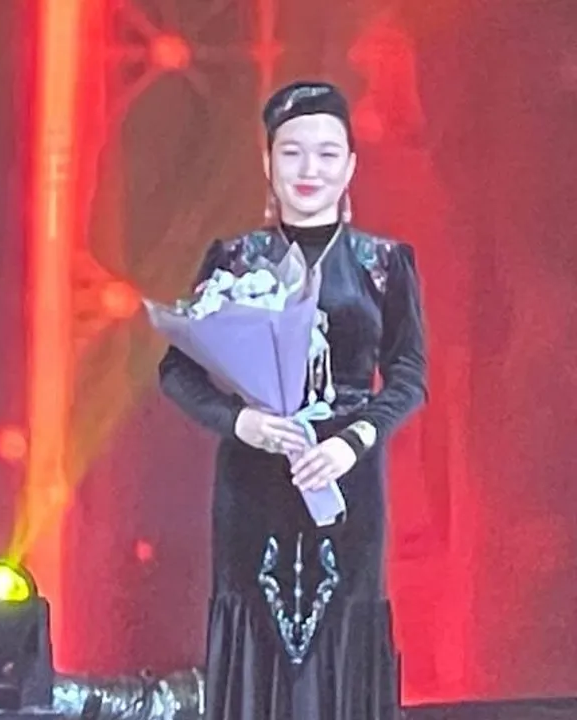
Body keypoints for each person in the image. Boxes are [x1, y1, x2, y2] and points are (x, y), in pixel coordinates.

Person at [158, 81, 428, 720]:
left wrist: (353, 441)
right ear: (267, 162)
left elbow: (409, 376)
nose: (310, 169)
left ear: (351, 166)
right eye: (292, 152)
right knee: (255, 630)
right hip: (254, 482)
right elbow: (177, 372)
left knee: (343, 629)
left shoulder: (384, 263)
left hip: (346, 481)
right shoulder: (234, 259)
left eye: (327, 154)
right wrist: (242, 423)